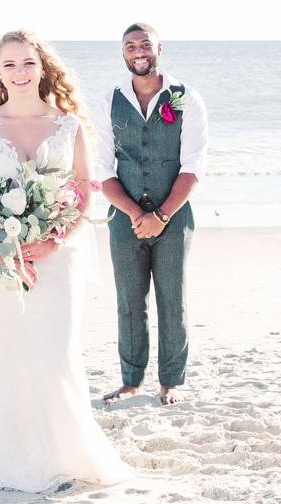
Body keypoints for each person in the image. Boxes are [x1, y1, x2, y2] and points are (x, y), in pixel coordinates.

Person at [0, 30, 133, 493]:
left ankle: (62, 453)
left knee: (54, 350)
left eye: (27, 63)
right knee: (5, 348)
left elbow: (83, 196)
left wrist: (53, 242)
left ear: (43, 67)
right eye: (9, 65)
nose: (19, 72)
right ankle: (4, 456)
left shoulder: (69, 127)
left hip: (58, 257)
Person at [94, 23, 208, 406]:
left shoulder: (186, 98)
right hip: (123, 217)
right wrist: (132, 212)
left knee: (172, 299)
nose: (138, 51)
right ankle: (130, 381)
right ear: (123, 54)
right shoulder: (109, 101)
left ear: (159, 49)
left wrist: (160, 215)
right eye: (130, 46)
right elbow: (103, 169)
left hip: (174, 216)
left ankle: (170, 382)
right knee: (129, 300)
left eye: (145, 44)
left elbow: (192, 167)